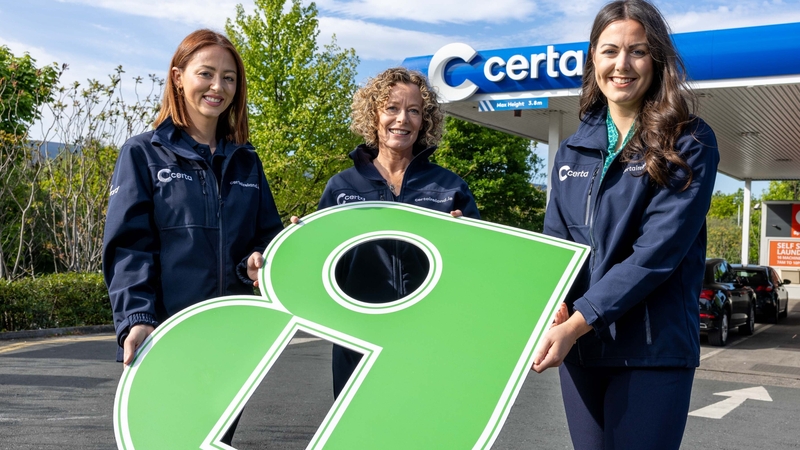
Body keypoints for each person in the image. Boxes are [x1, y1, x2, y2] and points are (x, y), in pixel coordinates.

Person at [531, 1, 719, 449]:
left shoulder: (688, 141)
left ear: (657, 60)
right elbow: (557, 243)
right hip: (583, 348)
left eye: (637, 51)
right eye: (610, 50)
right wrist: (554, 303)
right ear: (593, 56)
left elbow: (657, 254)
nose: (622, 64)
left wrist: (577, 321)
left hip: (651, 351)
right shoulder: (574, 149)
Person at [102, 30, 283, 442]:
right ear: (179, 77)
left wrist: (256, 260)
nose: (218, 87)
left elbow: (265, 237)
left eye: (229, 78)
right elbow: (129, 246)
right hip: (165, 334)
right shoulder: (142, 153)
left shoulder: (246, 161)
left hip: (230, 336)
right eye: (207, 73)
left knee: (214, 439)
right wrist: (137, 319)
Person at [308, 67, 480, 397]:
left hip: (429, 341)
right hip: (357, 342)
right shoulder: (342, 187)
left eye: (414, 111)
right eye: (392, 108)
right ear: (374, 114)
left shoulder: (449, 188)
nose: (402, 119)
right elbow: (318, 266)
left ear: (425, 120)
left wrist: (466, 241)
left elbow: (477, 268)